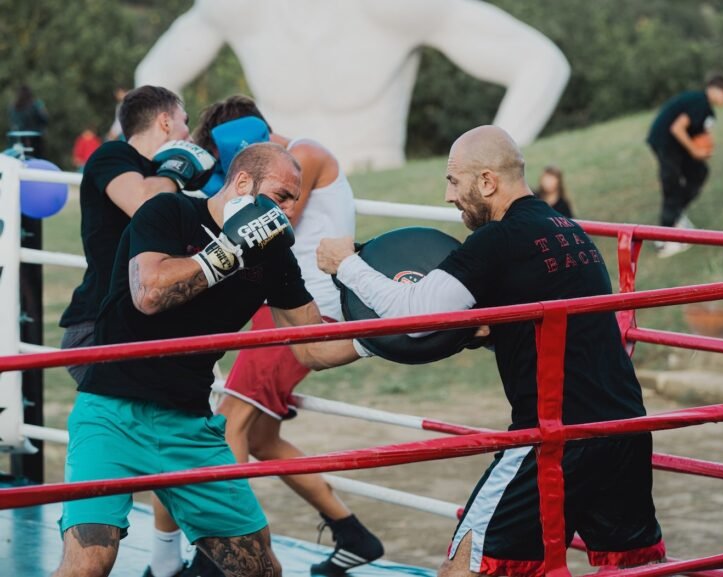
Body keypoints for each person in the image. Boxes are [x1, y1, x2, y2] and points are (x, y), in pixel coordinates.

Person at [317, 126, 665, 577]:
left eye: (453, 181)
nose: (448, 196)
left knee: (466, 567)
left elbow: (415, 317)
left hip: (556, 434)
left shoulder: (497, 240)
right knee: (628, 569)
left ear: (486, 182)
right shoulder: (568, 229)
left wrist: (345, 264)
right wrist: (491, 331)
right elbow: (539, 313)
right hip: (625, 427)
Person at [53, 143, 363, 577]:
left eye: (295, 200)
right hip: (111, 415)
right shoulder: (169, 212)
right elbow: (150, 293)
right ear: (241, 183)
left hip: (191, 431)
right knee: (89, 562)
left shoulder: (273, 254)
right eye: (281, 196)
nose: (290, 211)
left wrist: (390, 336)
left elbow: (312, 345)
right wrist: (231, 250)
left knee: (259, 570)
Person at [146, 95, 383, 577]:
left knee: (230, 421)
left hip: (307, 312)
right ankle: (353, 534)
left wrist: (221, 194)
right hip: (279, 309)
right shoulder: (269, 171)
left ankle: (218, 556)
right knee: (260, 437)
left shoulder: (306, 155)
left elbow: (265, 229)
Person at [135, 0, 570, 171]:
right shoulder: (241, 9)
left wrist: (489, 168)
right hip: (273, 189)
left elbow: (541, 63)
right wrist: (186, 162)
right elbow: (153, 79)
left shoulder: (393, 8)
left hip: (373, 175)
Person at [58, 85, 214, 386]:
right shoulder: (113, 154)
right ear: (166, 122)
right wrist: (177, 169)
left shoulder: (168, 180)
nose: (188, 133)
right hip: (100, 327)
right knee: (130, 424)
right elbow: (143, 204)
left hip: (148, 325)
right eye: (185, 121)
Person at [646, 73, 723, 258]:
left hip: (676, 146)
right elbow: (677, 128)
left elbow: (702, 135)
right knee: (671, 183)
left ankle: (676, 215)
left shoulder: (707, 111)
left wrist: (703, 149)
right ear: (714, 89)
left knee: (699, 172)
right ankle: (663, 238)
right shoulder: (699, 102)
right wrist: (694, 150)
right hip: (666, 143)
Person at [8, 84, 49, 158]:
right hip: (34, 141)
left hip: (17, 140)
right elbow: (45, 119)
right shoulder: (35, 105)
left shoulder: (13, 107)